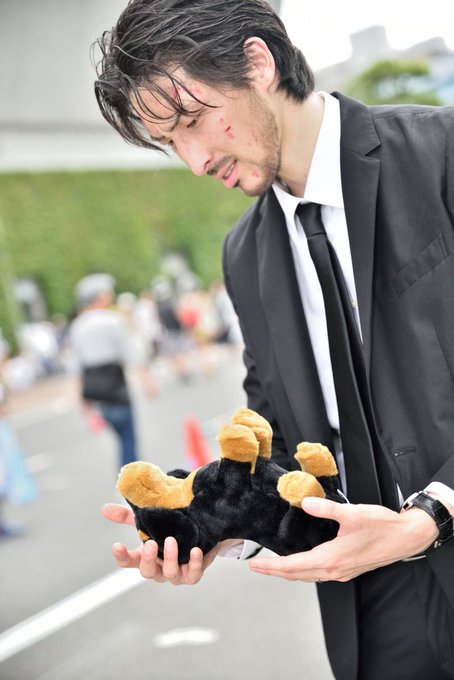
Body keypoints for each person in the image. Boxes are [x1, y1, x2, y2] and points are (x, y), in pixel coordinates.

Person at [93, 2, 454, 678]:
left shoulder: (441, 154)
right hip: (366, 599)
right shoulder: (245, 253)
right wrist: (210, 522)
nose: (195, 161)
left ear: (257, 63)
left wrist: (435, 511)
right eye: (169, 143)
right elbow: (279, 434)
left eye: (191, 121)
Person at [70, 274, 138, 470]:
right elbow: (131, 354)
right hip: (116, 387)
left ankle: (125, 476)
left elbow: (76, 367)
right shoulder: (113, 320)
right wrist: (146, 380)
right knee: (128, 439)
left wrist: (82, 402)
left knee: (120, 436)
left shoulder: (78, 326)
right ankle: (129, 480)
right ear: (99, 297)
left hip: (95, 392)